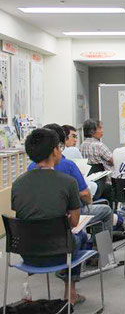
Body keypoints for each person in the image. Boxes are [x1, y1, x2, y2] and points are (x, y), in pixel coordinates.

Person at [12, 128, 87, 304]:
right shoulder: (68, 182)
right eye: (59, 148)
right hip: (60, 252)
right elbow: (74, 222)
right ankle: (71, 291)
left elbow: (23, 216)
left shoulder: (18, 184)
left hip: (27, 253)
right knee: (81, 235)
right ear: (54, 151)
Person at [28, 124, 114, 236]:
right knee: (106, 211)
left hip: (37, 228)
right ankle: (99, 250)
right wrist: (89, 202)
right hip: (65, 225)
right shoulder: (68, 167)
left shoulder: (29, 170)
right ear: (57, 148)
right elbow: (84, 195)